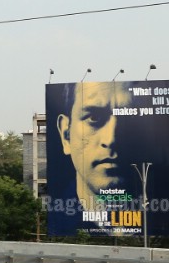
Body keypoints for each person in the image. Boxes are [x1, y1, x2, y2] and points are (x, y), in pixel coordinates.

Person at [55, 81, 134, 215]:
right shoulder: (57, 221)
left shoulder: (164, 219)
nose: (111, 139)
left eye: (129, 120)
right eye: (94, 117)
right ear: (65, 136)